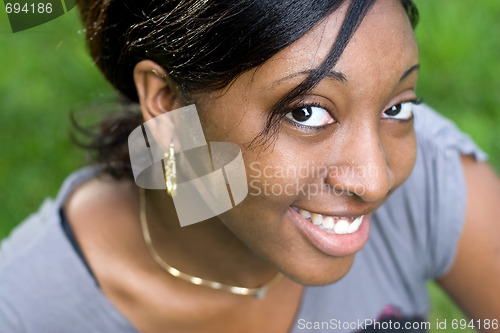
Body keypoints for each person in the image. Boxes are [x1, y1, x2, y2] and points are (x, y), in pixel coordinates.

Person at [1, 0, 499, 332]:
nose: (375, 179)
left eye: (397, 107)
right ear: (168, 101)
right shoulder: (28, 310)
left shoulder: (429, 171)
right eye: (306, 112)